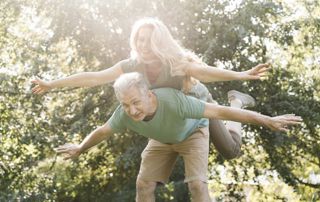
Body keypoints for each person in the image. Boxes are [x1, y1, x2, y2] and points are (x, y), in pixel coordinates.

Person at [32, 17, 270, 159]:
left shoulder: (174, 61)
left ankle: (236, 100)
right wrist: (52, 84)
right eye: (139, 39)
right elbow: (94, 77)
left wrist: (241, 74)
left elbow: (205, 72)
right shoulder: (132, 65)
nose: (143, 44)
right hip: (174, 116)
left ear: (159, 40)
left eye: (148, 39)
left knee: (230, 151)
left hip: (199, 105)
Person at [55, 72, 302, 202]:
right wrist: (80, 147)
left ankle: (238, 97)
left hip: (193, 129)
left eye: (135, 102)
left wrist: (268, 120)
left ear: (149, 94)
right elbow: (102, 131)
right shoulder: (125, 114)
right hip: (163, 138)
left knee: (212, 168)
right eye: (125, 104)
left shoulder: (175, 102)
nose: (131, 110)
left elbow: (222, 112)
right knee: (144, 184)